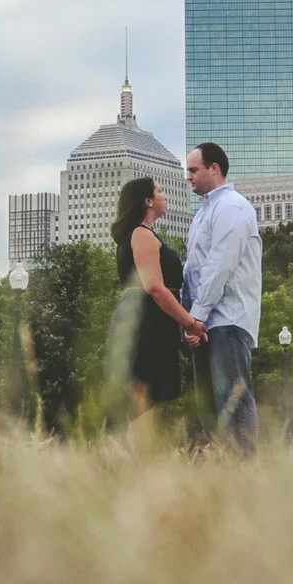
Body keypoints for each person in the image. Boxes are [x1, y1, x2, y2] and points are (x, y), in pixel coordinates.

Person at [179, 140, 262, 454]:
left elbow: (220, 266)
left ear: (214, 168)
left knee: (232, 400)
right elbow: (193, 270)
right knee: (211, 408)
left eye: (194, 170)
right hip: (204, 323)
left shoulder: (232, 207)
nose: (189, 176)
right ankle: (223, 476)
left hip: (227, 319)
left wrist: (196, 316)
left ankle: (245, 472)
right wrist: (190, 320)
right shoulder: (204, 213)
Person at [112, 176, 202, 440]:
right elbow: (155, 288)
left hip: (153, 321)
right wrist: (191, 323)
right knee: (150, 394)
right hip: (148, 322)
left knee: (154, 394)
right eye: (160, 191)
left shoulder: (143, 234)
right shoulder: (141, 234)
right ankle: (139, 460)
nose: (165, 195)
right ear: (148, 201)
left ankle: (145, 459)